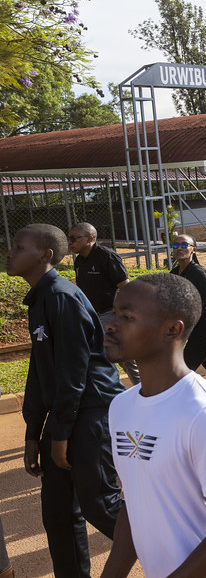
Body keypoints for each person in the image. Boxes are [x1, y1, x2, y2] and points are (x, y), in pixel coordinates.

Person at [101, 274, 206, 577]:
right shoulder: (121, 407)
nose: (111, 323)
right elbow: (135, 501)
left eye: (127, 316)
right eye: (114, 312)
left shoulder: (203, 413)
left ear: (172, 329)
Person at [8, 224, 123, 577]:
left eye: (18, 246)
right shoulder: (40, 299)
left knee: (100, 506)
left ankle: (185, 561)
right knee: (58, 513)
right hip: (65, 415)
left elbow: (74, 374)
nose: (9, 252)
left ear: (45, 255)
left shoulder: (62, 298)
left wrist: (59, 437)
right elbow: (43, 374)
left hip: (90, 414)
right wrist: (33, 434)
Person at [68, 222, 138, 385]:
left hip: (110, 313)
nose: (70, 242)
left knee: (99, 353)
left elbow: (125, 287)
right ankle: (143, 389)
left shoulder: (107, 256)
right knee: (122, 355)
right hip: (91, 315)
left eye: (74, 238)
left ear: (90, 238)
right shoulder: (79, 261)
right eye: (69, 238)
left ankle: (139, 392)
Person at [169, 233, 206, 379]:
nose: (179, 248)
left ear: (193, 250)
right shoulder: (175, 273)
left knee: (180, 372)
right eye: (176, 245)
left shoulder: (198, 273)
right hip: (195, 327)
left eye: (184, 245)